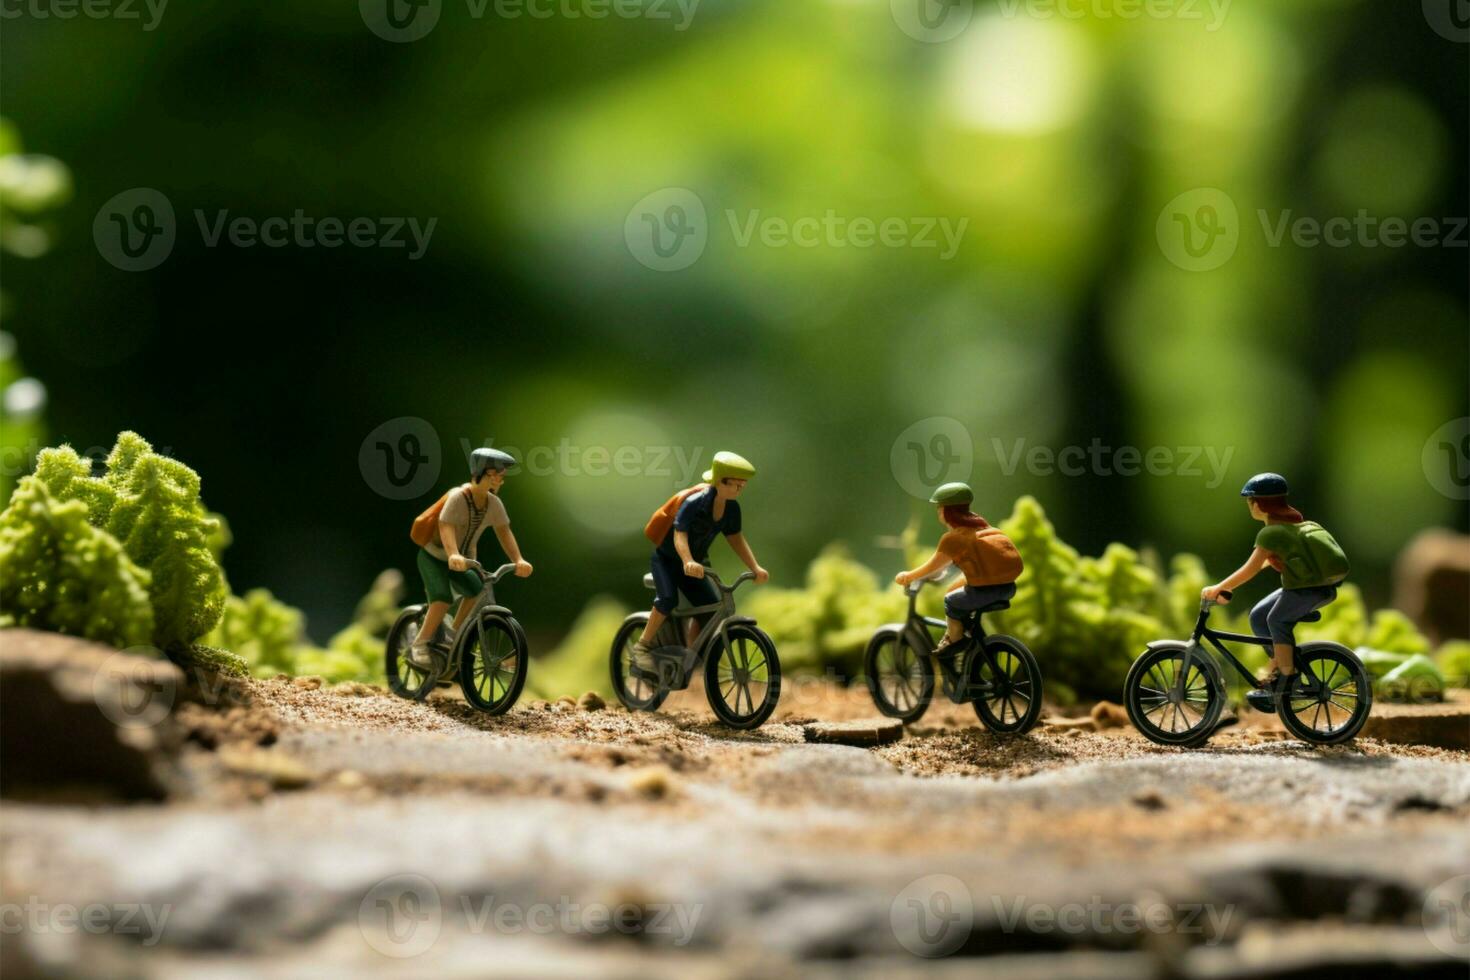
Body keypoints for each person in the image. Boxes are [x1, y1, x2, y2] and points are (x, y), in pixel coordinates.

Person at [1201, 473, 1349, 712]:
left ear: (1258, 503)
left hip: (1308, 590)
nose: (1249, 506)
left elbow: (1249, 569)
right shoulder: (1284, 527)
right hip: (1305, 587)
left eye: (1249, 501)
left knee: (1276, 620)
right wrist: (1227, 585)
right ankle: (1279, 666)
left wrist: (1219, 588)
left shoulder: (1271, 533)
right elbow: (1264, 563)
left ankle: (1289, 678)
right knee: (1258, 616)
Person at [631, 451, 768, 659]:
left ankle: (691, 655)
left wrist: (754, 567)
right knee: (667, 600)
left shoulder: (731, 508)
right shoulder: (695, 503)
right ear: (722, 482)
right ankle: (642, 646)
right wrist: (687, 560)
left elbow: (736, 539)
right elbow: (680, 535)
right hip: (668, 560)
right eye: (737, 484)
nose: (741, 488)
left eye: (743, 485)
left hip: (696, 565)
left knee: (709, 609)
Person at [407, 447, 533, 669]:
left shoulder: (493, 504)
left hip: (464, 561)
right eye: (497, 475)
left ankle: (452, 635)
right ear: (483, 472)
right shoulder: (458, 497)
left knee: (476, 590)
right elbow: (445, 526)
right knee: (442, 598)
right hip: (434, 557)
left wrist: (519, 559)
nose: (501, 480)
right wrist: (453, 554)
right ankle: (420, 643)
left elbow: (504, 532)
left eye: (501, 476)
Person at [895, 482, 1023, 653]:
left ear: (945, 511)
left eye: (939, 508)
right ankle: (970, 642)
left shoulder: (953, 538)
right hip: (1008, 588)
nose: (938, 512)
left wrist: (908, 576)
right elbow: (943, 570)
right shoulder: (984, 528)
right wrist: (938, 575)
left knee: (951, 601)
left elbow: (932, 567)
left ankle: (955, 641)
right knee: (953, 588)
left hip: (985, 593)